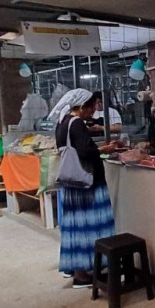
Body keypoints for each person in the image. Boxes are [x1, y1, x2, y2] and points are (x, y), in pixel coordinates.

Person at [55, 89, 116, 289]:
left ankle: (76, 268)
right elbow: (85, 151)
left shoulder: (62, 121)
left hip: (72, 185)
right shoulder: (77, 123)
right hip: (87, 185)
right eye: (90, 108)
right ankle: (82, 275)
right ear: (81, 106)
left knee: (75, 228)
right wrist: (104, 149)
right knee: (89, 227)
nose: (92, 112)